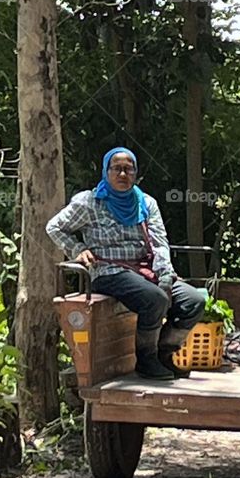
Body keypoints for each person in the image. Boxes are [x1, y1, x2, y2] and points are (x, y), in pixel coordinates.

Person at [46, 148, 206, 381]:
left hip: (145, 270)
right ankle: (146, 359)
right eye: (117, 169)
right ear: (106, 172)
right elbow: (54, 227)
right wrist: (78, 250)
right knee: (155, 299)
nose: (123, 174)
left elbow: (160, 243)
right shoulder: (89, 202)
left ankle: (165, 352)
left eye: (128, 169)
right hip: (108, 271)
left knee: (194, 300)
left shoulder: (146, 203)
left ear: (135, 173)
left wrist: (164, 276)